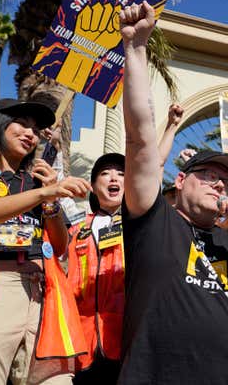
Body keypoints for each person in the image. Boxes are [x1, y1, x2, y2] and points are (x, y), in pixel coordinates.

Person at [117, 1, 228, 384]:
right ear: (180, 181)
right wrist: (135, 50)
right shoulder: (153, 220)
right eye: (208, 174)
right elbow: (140, 139)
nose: (220, 183)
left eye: (226, 181)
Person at [0, 98, 91, 384]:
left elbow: (59, 246)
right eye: (22, 123)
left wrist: (51, 198)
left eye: (36, 129)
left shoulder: (38, 183)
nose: (31, 133)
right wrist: (43, 194)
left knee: (56, 381)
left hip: (44, 296)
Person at [67, 153, 125, 384]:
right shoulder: (76, 229)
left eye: (121, 174)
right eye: (105, 173)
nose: (114, 178)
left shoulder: (141, 225)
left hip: (126, 338)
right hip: (81, 340)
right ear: (93, 186)